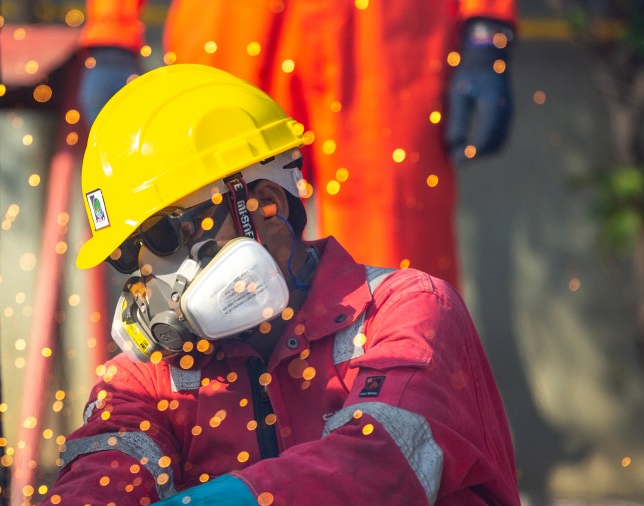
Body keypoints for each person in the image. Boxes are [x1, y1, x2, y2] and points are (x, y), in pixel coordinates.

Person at [0, 64, 587, 506]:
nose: (148, 281)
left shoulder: (402, 310)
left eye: (162, 238)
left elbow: (370, 472)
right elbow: (103, 479)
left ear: (266, 208)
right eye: (130, 257)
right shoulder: (153, 374)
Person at [76, 0, 517, 290]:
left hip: (385, 26)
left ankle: (399, 416)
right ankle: (219, 429)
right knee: (213, 250)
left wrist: (486, 27)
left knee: (395, 268)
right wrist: (111, 29)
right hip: (231, 17)